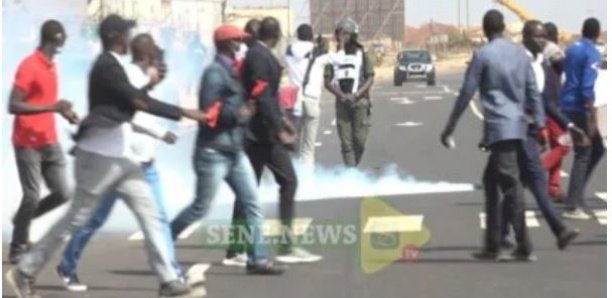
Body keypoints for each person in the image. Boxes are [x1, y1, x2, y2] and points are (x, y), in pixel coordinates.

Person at [6, 14, 208, 298]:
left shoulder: (114, 67)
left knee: (152, 215)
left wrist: (150, 87)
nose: (129, 37)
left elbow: (130, 99)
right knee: (75, 220)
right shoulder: (106, 67)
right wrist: (185, 112)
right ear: (115, 36)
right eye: (126, 33)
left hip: (121, 159)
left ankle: (168, 281)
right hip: (98, 159)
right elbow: (136, 101)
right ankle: (24, 271)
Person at [54, 33, 184, 292]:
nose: (159, 60)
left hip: (143, 163)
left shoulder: (144, 78)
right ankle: (66, 265)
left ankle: (172, 275)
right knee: (93, 219)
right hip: (121, 161)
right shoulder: (126, 77)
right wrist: (161, 132)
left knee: (158, 219)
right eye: (156, 55)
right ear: (148, 56)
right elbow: (131, 117)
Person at [170, 24, 285, 275]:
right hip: (213, 152)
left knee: (251, 202)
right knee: (200, 207)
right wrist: (240, 113)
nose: (241, 45)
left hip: (234, 150)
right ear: (226, 44)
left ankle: (258, 259)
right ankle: (164, 241)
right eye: (237, 41)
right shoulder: (214, 74)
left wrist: (251, 102)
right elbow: (210, 112)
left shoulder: (233, 71)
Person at [440, 10, 543, 261]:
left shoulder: (483, 55)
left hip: (500, 128)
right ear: (504, 27)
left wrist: (450, 126)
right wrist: (539, 124)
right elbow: (532, 89)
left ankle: (523, 244)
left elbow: (467, 93)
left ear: (485, 31)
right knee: (491, 182)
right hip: (519, 126)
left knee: (510, 186)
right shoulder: (520, 53)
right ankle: (493, 243)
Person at [234, 16, 321, 264]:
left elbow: (267, 97)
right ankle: (265, 245)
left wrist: (282, 122)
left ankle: (243, 246)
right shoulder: (261, 57)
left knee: (256, 188)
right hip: (260, 135)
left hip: (261, 133)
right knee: (281, 183)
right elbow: (262, 96)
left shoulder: (258, 55)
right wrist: (280, 130)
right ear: (278, 35)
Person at [500, 20, 583, 251]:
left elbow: (544, 100)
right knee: (535, 180)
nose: (541, 40)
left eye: (544, 36)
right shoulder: (517, 59)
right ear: (525, 36)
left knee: (519, 183)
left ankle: (500, 231)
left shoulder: (540, 63)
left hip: (530, 128)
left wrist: (568, 124)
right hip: (516, 128)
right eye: (536, 36)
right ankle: (560, 229)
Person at [7, 19, 79, 265]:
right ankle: (17, 246)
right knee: (31, 194)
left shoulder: (51, 66)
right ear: (55, 38)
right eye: (63, 38)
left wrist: (64, 112)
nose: (65, 42)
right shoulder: (29, 66)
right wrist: (52, 107)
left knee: (63, 192)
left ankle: (21, 220)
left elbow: (48, 101)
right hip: (27, 142)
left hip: (49, 140)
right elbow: (13, 105)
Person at [560, 18, 605, 220]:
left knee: (596, 148)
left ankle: (576, 195)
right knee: (584, 152)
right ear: (597, 34)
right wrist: (593, 118)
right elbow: (587, 87)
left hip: (566, 103)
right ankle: (572, 205)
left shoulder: (572, 48)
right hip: (580, 106)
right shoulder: (592, 52)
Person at [324, 18, 375, 167]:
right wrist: (341, 95)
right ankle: (351, 175)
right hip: (342, 104)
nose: (342, 37)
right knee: (346, 143)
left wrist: (357, 94)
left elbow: (370, 77)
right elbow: (327, 81)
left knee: (359, 140)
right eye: (339, 34)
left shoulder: (362, 54)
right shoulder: (333, 57)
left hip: (360, 102)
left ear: (353, 35)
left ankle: (353, 168)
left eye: (346, 34)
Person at [540, 21, 571, 201]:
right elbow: (564, 68)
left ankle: (554, 187)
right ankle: (537, 171)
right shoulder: (552, 50)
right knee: (563, 145)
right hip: (553, 105)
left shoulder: (537, 52)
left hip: (544, 104)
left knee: (556, 145)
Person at [294, 31, 330, 166]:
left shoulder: (291, 54)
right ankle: (307, 180)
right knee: (308, 148)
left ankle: (293, 177)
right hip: (312, 101)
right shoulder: (320, 57)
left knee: (294, 145)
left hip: (296, 102)